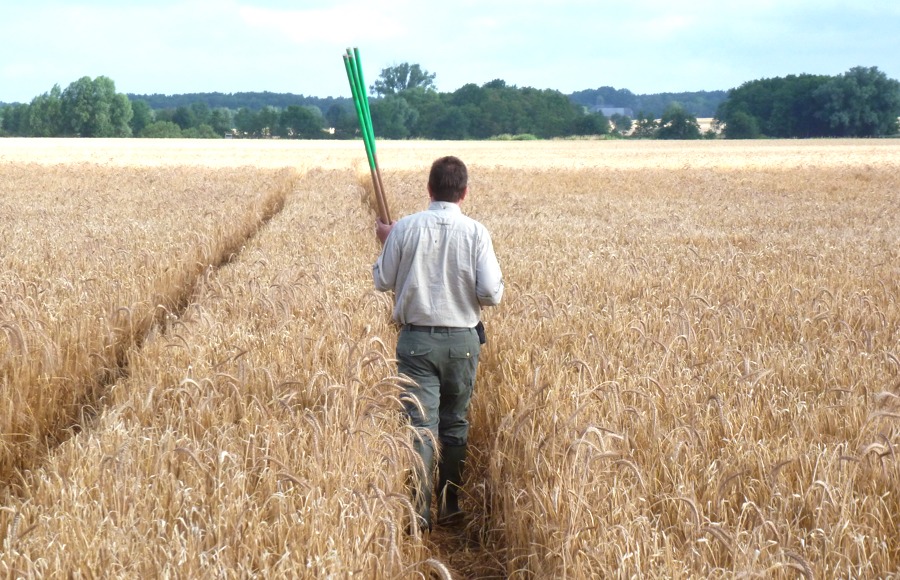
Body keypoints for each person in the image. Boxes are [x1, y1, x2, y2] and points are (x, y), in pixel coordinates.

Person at [373, 156, 504, 532]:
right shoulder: (477, 232)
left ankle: (418, 514)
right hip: (463, 342)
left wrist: (386, 241)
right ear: (464, 192)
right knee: (455, 424)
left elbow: (383, 281)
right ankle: (450, 504)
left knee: (419, 427)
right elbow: (491, 294)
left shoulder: (405, 229)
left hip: (416, 342)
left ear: (429, 190)